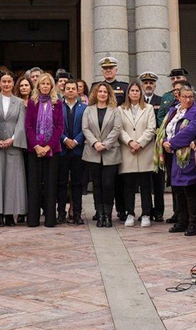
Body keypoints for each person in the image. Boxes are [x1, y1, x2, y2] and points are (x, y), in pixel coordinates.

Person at [162, 82, 196, 237]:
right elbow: (166, 128)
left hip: (187, 155)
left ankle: (194, 223)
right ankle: (181, 220)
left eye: (190, 97)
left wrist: (171, 144)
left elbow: (189, 131)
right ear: (178, 97)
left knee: (189, 190)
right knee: (177, 190)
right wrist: (165, 141)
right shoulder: (174, 110)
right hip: (173, 155)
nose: (187, 100)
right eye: (184, 97)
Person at [23, 71, 64, 228]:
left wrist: (48, 146)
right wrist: (37, 146)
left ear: (51, 86)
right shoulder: (32, 103)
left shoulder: (57, 103)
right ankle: (33, 219)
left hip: (52, 150)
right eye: (43, 83)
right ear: (38, 85)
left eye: (48, 84)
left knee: (50, 184)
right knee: (34, 184)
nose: (45, 86)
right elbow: (28, 126)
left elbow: (60, 127)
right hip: (35, 149)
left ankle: (50, 219)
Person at [116, 79, 157, 227]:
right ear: (128, 93)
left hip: (144, 150)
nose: (134, 93)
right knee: (128, 186)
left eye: (137, 90)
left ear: (141, 93)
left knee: (145, 185)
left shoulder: (149, 108)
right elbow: (119, 129)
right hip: (128, 151)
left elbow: (151, 128)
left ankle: (146, 213)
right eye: (132, 90)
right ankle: (130, 213)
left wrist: (139, 143)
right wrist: (130, 143)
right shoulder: (120, 109)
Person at [82, 80, 122, 228]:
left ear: (109, 94)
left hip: (110, 151)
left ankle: (108, 215)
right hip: (92, 152)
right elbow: (85, 129)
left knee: (108, 184)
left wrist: (105, 144)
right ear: (96, 94)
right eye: (100, 91)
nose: (102, 94)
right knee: (97, 185)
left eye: (105, 92)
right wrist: (95, 143)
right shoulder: (88, 110)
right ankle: (100, 214)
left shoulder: (115, 110)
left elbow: (117, 128)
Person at [0, 72, 28, 226]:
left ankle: (9, 215)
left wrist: (12, 139)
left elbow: (21, 124)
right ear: (0, 83)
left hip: (14, 146)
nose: (6, 84)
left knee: (13, 181)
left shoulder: (19, 102)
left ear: (13, 84)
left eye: (9, 81)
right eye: (3, 81)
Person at [139, 72, 168, 222]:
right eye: (145, 83)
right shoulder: (137, 101)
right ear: (142, 86)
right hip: (143, 146)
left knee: (158, 181)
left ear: (155, 85)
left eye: (151, 83)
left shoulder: (161, 101)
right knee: (144, 181)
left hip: (157, 147)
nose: (148, 85)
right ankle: (146, 210)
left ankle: (159, 211)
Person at [58, 78, 87, 225]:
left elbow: (86, 128)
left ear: (77, 91)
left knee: (77, 184)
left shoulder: (84, 108)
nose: (70, 91)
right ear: (63, 91)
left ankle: (76, 214)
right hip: (62, 149)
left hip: (78, 150)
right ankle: (61, 213)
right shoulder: (57, 106)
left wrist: (76, 141)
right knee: (61, 183)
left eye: (73, 88)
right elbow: (55, 126)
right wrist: (64, 140)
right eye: (67, 88)